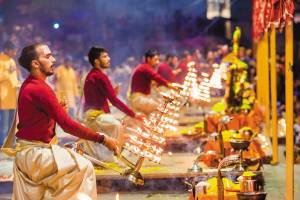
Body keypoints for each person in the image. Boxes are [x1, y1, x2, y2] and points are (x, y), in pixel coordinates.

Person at [11, 43, 118, 200]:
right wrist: (102, 138)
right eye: (48, 57)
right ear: (35, 63)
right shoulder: (39, 88)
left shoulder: (33, 85)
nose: (53, 59)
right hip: (35, 155)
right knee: (84, 167)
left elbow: (38, 121)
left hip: (31, 153)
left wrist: (58, 110)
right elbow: (67, 125)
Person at [82, 46, 143, 162]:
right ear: (96, 61)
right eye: (104, 57)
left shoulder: (93, 75)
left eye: (108, 56)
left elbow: (99, 98)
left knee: (122, 122)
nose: (109, 59)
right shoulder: (99, 76)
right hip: (95, 116)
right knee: (117, 125)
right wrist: (133, 114)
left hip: (94, 114)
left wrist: (111, 95)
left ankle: (111, 154)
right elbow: (114, 101)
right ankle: (110, 157)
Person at [129, 49, 174, 115]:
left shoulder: (145, 68)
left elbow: (155, 85)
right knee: (161, 108)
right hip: (139, 99)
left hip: (141, 98)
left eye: (158, 60)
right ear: (149, 59)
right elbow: (157, 77)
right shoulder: (145, 68)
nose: (157, 62)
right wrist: (170, 85)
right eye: (155, 60)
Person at [0, 41, 19, 147]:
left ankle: (10, 145)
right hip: (3, 98)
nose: (15, 53)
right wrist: (8, 72)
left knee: (12, 126)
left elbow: (13, 78)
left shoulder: (12, 61)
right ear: (6, 50)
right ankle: (2, 145)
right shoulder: (1, 60)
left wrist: (18, 84)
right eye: (13, 51)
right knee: (3, 125)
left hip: (12, 98)